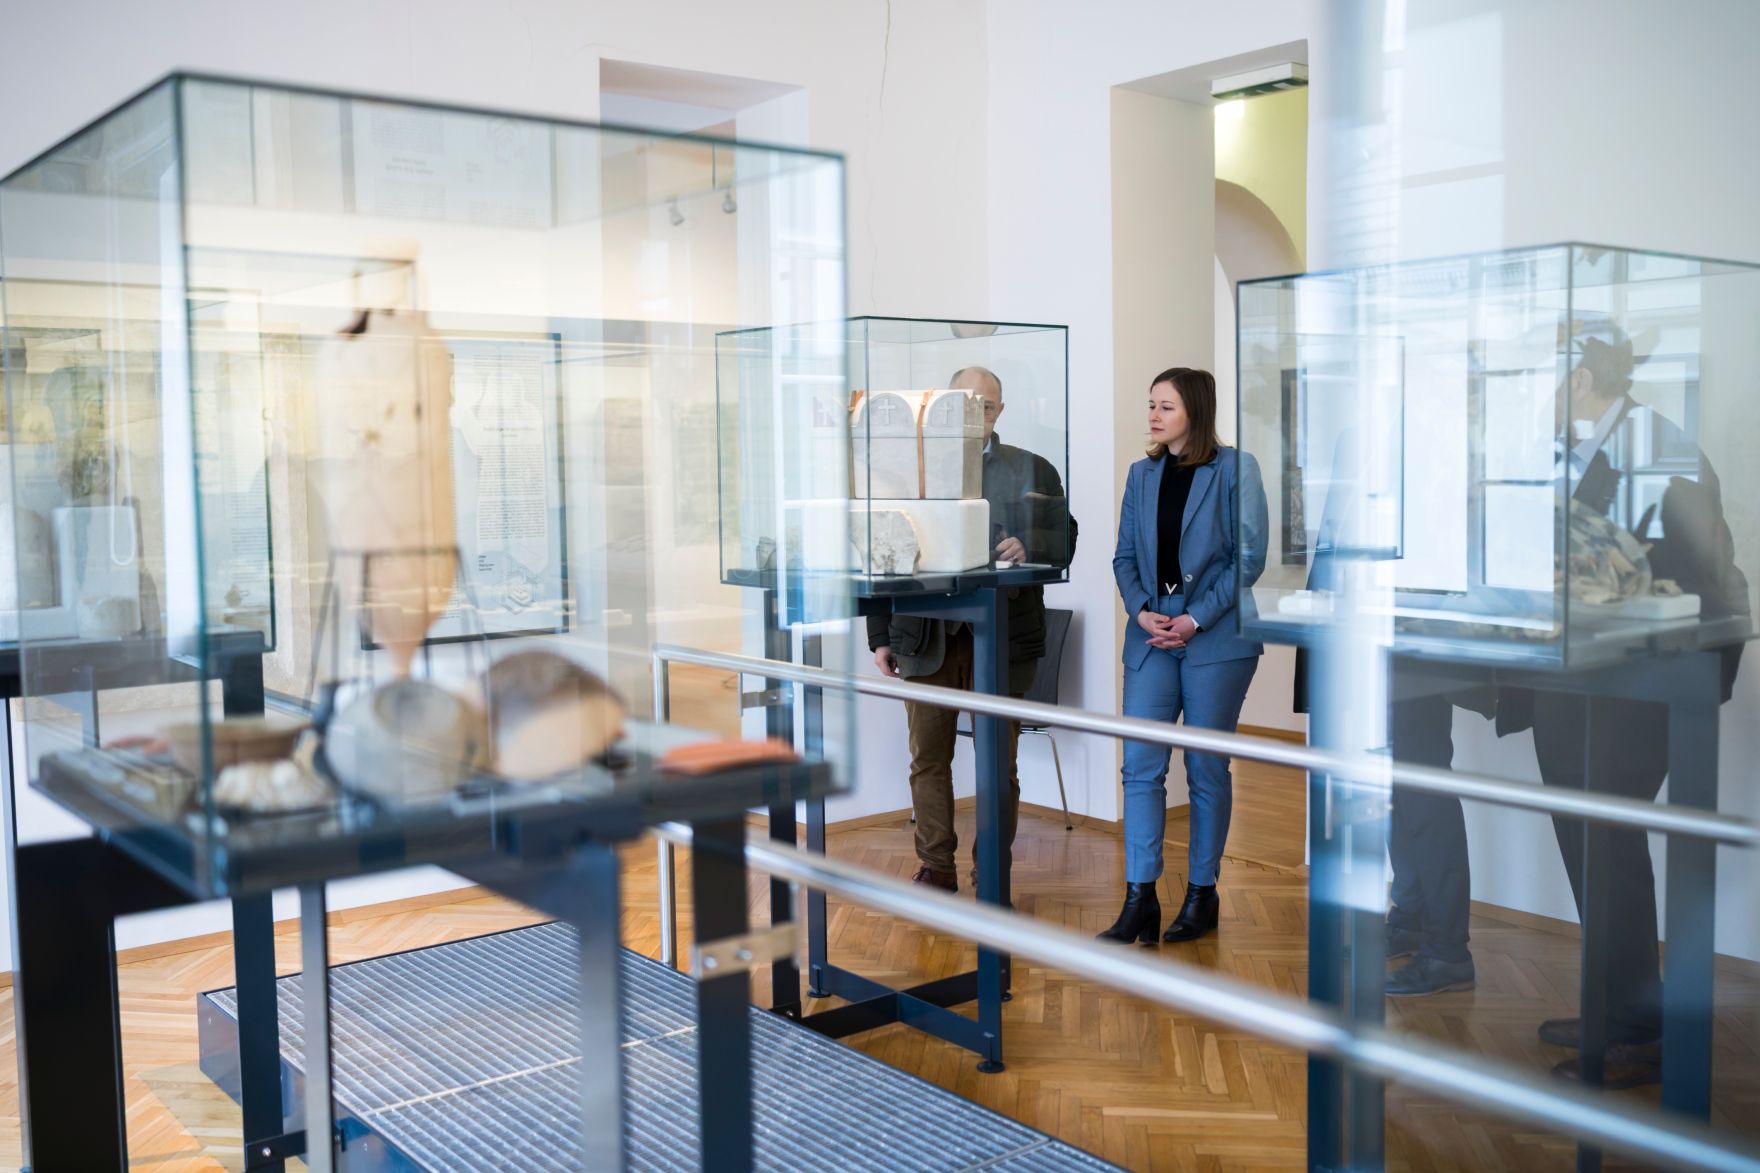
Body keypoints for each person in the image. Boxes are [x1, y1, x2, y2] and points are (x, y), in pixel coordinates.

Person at [1497, 315, 1747, 1087]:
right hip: (1577, 684)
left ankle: (1640, 1029)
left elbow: (1700, 582)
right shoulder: (1568, 450)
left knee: (1610, 846)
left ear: (1580, 378)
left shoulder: (1661, 448)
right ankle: (1617, 1009)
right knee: (1593, 844)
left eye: (1542, 376)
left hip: (1643, 686)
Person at [869, 366, 1077, 891]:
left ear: (999, 412)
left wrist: (1030, 545)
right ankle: (937, 867)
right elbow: (882, 549)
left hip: (1002, 636)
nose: (973, 414)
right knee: (927, 760)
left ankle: (993, 872)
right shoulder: (910, 468)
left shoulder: (1033, 469)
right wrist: (880, 636)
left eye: (984, 405)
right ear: (942, 406)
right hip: (925, 637)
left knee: (999, 765)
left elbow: (1065, 538)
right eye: (962, 404)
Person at [1098, 367, 1266, 944]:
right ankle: (1139, 898)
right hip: (1150, 634)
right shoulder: (1141, 474)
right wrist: (1142, 610)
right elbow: (1123, 557)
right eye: (1151, 404)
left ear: (1195, 410)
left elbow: (1249, 559)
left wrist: (1196, 619)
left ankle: (1201, 895)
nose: (1153, 415)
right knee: (1140, 768)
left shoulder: (1236, 469)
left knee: (1205, 769)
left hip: (1215, 637)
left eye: (1165, 406)